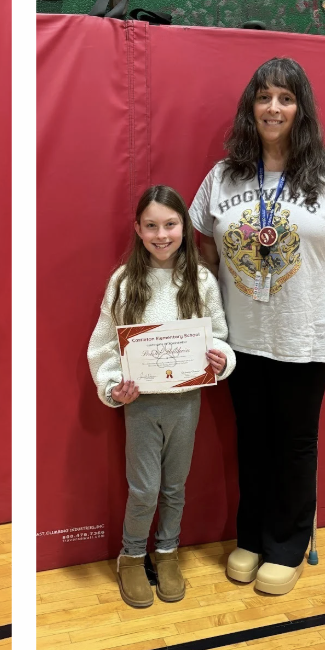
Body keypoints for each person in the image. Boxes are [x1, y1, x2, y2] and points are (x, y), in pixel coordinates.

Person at [190, 57, 325, 595]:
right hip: (240, 335)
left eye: (286, 98)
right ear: (251, 107)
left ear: (302, 109)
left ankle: (287, 546)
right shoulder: (223, 176)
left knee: (294, 443)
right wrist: (216, 295)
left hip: (307, 336)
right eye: (265, 97)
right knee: (252, 440)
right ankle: (250, 537)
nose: (274, 107)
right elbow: (203, 240)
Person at [88, 185, 235, 608]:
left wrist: (219, 358)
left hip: (186, 403)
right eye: (151, 225)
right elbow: (103, 346)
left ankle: (167, 550)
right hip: (142, 404)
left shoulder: (200, 279)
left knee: (175, 486)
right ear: (137, 229)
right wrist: (114, 385)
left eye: (170, 224)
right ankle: (132, 556)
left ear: (184, 227)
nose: (161, 234)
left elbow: (220, 338)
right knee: (144, 489)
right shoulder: (123, 281)